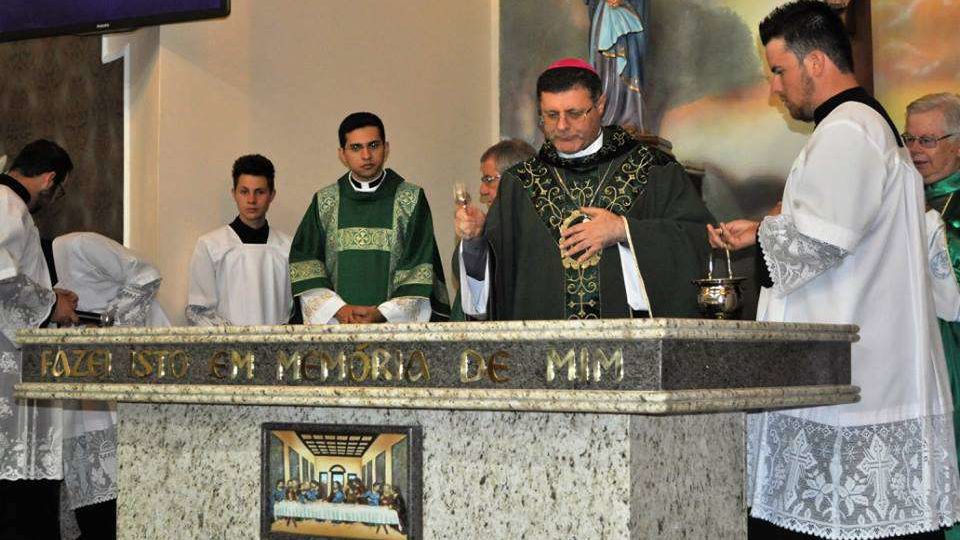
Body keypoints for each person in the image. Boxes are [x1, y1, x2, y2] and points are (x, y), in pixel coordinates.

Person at [707, 3, 960, 538]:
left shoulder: (848, 130)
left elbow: (819, 244)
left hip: (848, 383)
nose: (776, 87)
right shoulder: (862, 125)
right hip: (860, 372)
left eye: (779, 70)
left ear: (816, 62)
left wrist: (760, 232)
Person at [454, 58, 713, 320]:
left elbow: (700, 239)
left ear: (600, 105)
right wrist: (476, 240)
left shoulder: (653, 169)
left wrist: (625, 231)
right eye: (551, 115)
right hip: (543, 350)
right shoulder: (520, 183)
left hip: (630, 346)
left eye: (575, 113)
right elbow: (498, 277)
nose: (562, 126)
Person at [51, 231, 169, 540]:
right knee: (90, 487)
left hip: (119, 367)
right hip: (81, 376)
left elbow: (146, 275)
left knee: (120, 491)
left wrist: (107, 320)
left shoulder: (77, 245)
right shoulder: (44, 261)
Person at [289, 112, 450, 324]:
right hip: (338, 328)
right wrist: (338, 310)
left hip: (392, 332)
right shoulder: (325, 201)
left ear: (387, 147)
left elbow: (419, 269)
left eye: (373, 145)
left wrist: (383, 313)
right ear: (342, 154)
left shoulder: (410, 200)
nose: (366, 155)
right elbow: (306, 265)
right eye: (356, 148)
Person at [0, 139, 77, 540]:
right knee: (18, 491)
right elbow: (5, 281)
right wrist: (53, 306)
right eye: (59, 187)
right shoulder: (8, 206)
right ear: (49, 179)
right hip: (7, 367)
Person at [908, 93, 960, 540]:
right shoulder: (902, 199)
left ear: (958, 144)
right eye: (909, 139)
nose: (916, 151)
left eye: (927, 139)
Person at [186, 154, 293, 326]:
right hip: (228, 349)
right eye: (244, 192)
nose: (252, 200)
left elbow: (294, 310)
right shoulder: (210, 246)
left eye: (260, 192)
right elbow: (200, 311)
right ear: (234, 193)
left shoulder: (288, 247)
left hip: (277, 349)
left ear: (272, 195)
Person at [451, 139, 536, 321]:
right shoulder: (487, 225)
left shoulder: (538, 230)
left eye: (489, 180)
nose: (482, 190)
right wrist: (474, 239)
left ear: (517, 179)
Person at [587, 0, 647, 131]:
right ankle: (603, 115)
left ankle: (630, 117)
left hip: (627, 13)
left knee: (628, 63)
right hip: (604, 13)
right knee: (604, 65)